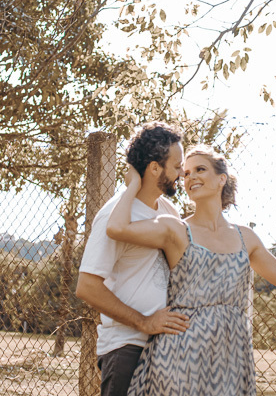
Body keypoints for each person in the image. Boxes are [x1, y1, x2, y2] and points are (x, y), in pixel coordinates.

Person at [106, 145, 276, 396]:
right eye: (185, 173)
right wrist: (133, 186)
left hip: (231, 357)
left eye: (200, 169)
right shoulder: (174, 229)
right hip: (180, 354)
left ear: (222, 179)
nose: (190, 177)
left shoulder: (246, 238)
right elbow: (116, 229)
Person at [75, 121, 192, 396]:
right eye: (176, 166)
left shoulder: (168, 211)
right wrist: (143, 321)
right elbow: (87, 286)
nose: (181, 173)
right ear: (154, 168)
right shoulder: (114, 214)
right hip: (126, 348)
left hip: (165, 348)